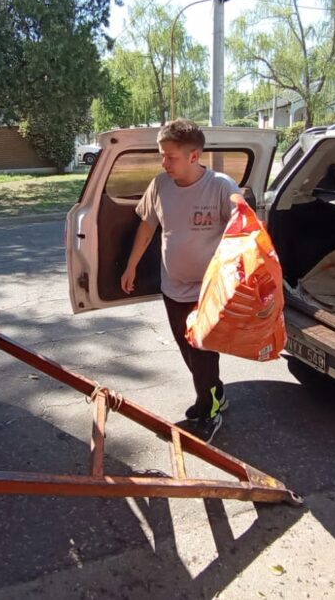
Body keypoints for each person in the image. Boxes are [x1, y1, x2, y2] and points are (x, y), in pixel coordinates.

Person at [121, 119, 240, 443]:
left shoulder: (221, 187)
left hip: (207, 290)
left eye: (170, 157)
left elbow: (242, 235)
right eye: (162, 155)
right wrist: (131, 265)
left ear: (193, 155)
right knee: (188, 351)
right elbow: (147, 227)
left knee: (202, 351)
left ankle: (209, 412)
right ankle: (214, 395)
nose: (164, 163)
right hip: (172, 287)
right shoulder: (160, 185)